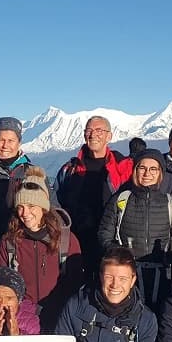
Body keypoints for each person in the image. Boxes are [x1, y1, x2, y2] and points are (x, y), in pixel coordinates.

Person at [98, 149, 172, 308]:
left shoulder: (170, 204)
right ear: (135, 170)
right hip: (127, 277)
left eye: (153, 168)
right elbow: (104, 235)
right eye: (142, 167)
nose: (147, 173)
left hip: (163, 278)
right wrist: (119, 253)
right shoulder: (121, 200)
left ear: (160, 173)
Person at [0, 166, 83, 330]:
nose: (25, 213)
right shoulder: (9, 242)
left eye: (31, 206)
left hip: (60, 316)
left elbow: (75, 283)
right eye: (20, 207)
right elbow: (2, 281)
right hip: (21, 317)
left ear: (43, 207)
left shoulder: (66, 240)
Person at [56, 115, 133, 275]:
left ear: (109, 136)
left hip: (111, 239)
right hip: (76, 240)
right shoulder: (69, 169)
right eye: (89, 130)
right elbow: (57, 204)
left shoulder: (123, 167)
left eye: (99, 130)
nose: (92, 135)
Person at [0, 117, 48, 279]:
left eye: (11, 140)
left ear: (19, 143)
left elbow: (50, 210)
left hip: (25, 245)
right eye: (1, 139)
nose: (5, 145)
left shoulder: (33, 173)